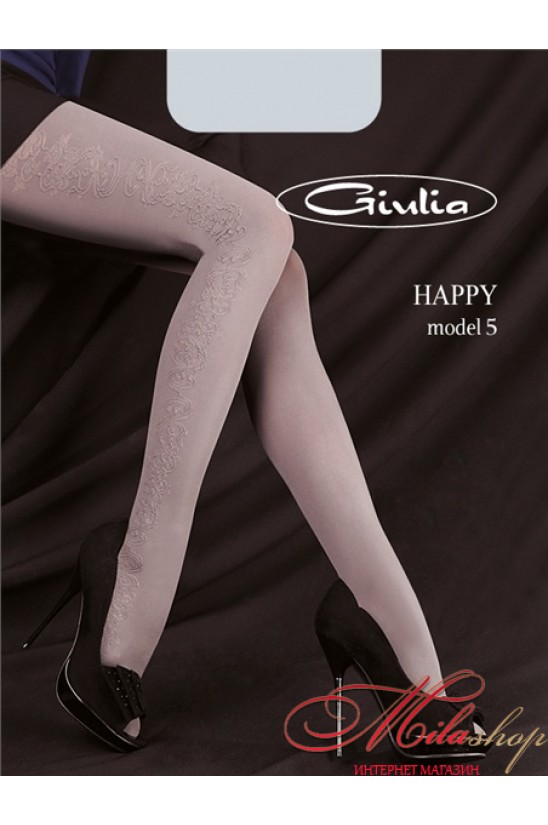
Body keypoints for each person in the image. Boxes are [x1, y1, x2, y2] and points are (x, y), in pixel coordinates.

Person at [1, 50, 487, 758]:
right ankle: (136, 575)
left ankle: (395, 637)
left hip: (40, 105)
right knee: (253, 226)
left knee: (275, 274)